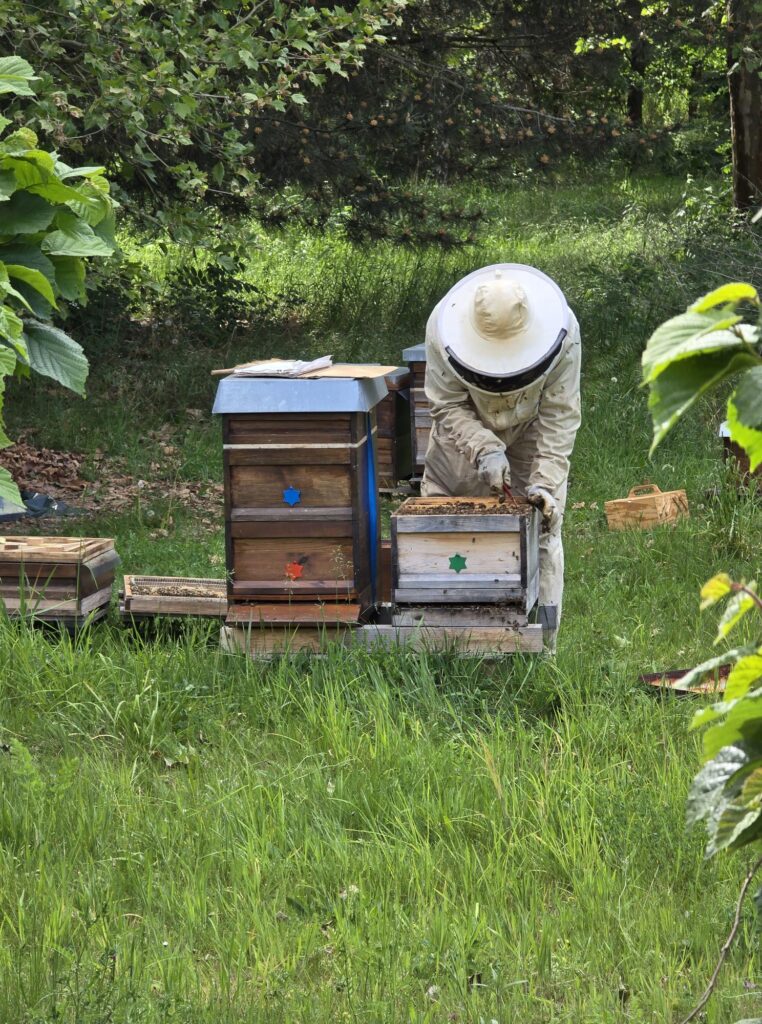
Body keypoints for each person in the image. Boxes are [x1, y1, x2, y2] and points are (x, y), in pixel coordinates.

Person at [421, 263, 581, 647]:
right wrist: (484, 447)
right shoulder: (441, 329)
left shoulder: (564, 335)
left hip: (531, 430)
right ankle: (450, 644)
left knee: (543, 527)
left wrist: (545, 483)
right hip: (463, 434)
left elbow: (560, 414)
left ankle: (542, 646)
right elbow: (446, 404)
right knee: (446, 534)